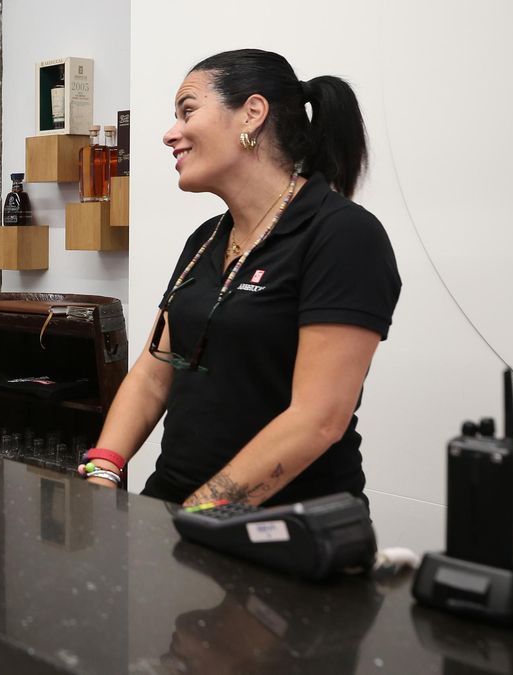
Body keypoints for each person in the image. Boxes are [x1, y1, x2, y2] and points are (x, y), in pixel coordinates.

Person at [81, 49, 401, 508]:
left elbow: (318, 420)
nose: (170, 133)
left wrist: (202, 512)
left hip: (284, 525)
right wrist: (104, 469)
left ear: (252, 113)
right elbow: (153, 376)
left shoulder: (343, 234)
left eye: (187, 111)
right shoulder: (207, 239)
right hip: (174, 507)